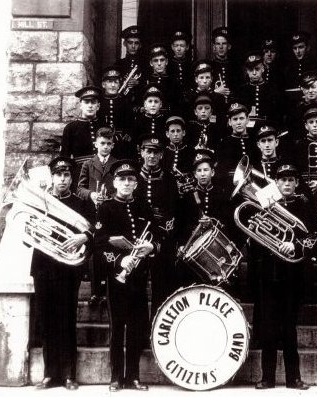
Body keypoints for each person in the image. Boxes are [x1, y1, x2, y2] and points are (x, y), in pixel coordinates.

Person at [95, 159, 158, 392]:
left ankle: (133, 376)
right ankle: (115, 376)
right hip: (116, 276)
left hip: (138, 276)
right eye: (122, 179)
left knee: (135, 326)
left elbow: (157, 236)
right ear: (114, 182)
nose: (127, 183)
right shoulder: (106, 208)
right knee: (117, 327)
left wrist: (152, 248)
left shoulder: (143, 207)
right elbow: (99, 244)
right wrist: (120, 259)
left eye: (131, 179)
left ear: (136, 183)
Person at [253, 164, 316, 390]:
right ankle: (267, 377)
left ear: (297, 183)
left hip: (292, 274)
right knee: (268, 327)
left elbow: (311, 237)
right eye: (282, 180)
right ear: (276, 183)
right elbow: (255, 233)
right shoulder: (267, 204)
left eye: (291, 180)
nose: (287, 184)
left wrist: (294, 244)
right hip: (269, 272)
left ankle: (294, 378)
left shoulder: (303, 205)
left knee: (289, 327)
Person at [32, 157, 93, 390]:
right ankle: (49, 374)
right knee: (46, 320)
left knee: (66, 320)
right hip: (43, 267)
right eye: (59, 175)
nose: (63, 179)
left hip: (68, 269)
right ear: (52, 177)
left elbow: (95, 229)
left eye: (67, 175)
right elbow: (28, 231)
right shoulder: (41, 202)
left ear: (72, 177)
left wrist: (84, 236)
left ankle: (69, 374)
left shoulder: (81, 203)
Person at [134, 134, 179, 316]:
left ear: (161, 155)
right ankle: (141, 330)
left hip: (162, 237)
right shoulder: (133, 178)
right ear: (142, 153)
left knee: (162, 285)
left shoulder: (169, 179)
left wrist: (164, 233)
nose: (151, 156)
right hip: (139, 236)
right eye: (148, 151)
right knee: (138, 285)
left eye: (156, 152)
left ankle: (157, 325)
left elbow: (174, 209)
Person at [176, 150, 231, 286]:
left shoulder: (221, 194)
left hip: (216, 247)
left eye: (206, 170)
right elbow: (180, 223)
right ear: (195, 174)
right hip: (193, 245)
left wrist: (212, 222)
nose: (202, 173)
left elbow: (227, 220)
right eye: (199, 170)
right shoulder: (187, 196)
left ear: (212, 172)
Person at [77, 127, 118, 304]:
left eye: (109, 144)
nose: (105, 147)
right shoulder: (88, 164)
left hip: (109, 213)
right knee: (94, 252)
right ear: (96, 144)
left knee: (108, 250)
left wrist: (110, 199)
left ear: (113, 145)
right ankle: (95, 292)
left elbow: (121, 188)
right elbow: (79, 189)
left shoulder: (116, 164)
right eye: (102, 143)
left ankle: (107, 290)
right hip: (92, 214)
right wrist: (92, 195)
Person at [60, 85, 105, 186]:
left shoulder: (104, 127)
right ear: (80, 105)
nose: (90, 105)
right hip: (80, 175)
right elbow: (64, 157)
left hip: (103, 173)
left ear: (98, 106)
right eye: (86, 102)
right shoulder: (70, 128)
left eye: (93, 102)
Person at [216, 103, 258, 195]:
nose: (238, 122)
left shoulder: (254, 141)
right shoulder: (223, 143)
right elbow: (221, 171)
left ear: (247, 120)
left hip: (254, 187)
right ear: (230, 122)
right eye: (235, 119)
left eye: (241, 118)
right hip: (232, 188)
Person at [292, 104, 317, 199]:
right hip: (304, 189)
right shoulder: (299, 145)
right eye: (311, 122)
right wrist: (305, 187)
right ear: (306, 126)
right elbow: (295, 170)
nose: (314, 125)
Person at [235, 52, 283, 128]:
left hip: (268, 127)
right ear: (247, 71)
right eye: (251, 70)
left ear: (263, 69)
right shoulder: (241, 90)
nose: (254, 73)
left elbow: (278, 114)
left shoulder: (272, 89)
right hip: (247, 128)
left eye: (257, 69)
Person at [97, 66, 134, 159]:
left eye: (116, 82)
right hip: (102, 142)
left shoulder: (125, 102)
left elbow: (131, 122)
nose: (113, 85)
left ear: (119, 85)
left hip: (121, 143)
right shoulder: (99, 102)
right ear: (103, 84)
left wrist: (127, 135)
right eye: (110, 82)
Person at [182, 60, 227, 125]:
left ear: (212, 79)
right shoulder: (189, 97)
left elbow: (221, 119)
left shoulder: (218, 97)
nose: (205, 81)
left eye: (207, 77)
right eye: (201, 78)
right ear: (196, 79)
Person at [144, 44, 180, 112]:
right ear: (151, 63)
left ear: (166, 62)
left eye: (162, 60)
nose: (159, 63)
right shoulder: (145, 81)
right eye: (156, 60)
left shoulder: (173, 81)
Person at [114, 25, 146, 100]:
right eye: (130, 42)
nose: (133, 46)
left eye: (136, 43)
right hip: (123, 102)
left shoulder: (145, 64)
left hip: (140, 101)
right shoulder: (118, 64)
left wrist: (138, 83)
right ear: (124, 44)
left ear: (140, 45)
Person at [210, 27, 240, 101]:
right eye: (217, 44)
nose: (220, 47)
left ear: (229, 46)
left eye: (224, 44)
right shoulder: (209, 66)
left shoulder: (236, 67)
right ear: (214, 47)